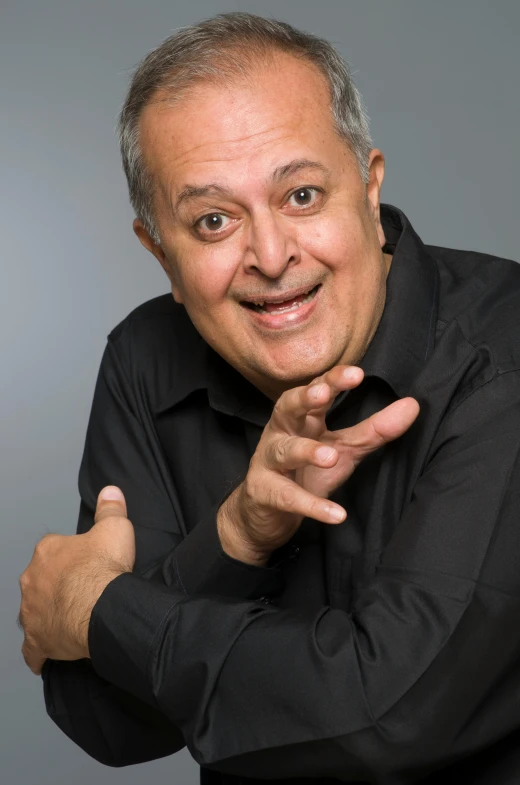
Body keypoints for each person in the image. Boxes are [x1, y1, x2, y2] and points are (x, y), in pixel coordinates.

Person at [18, 12, 520, 785]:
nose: (272, 255)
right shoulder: (143, 362)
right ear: (159, 251)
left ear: (370, 185)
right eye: (214, 221)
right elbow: (105, 721)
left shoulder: (504, 355)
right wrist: (235, 539)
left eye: (302, 194)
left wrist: (99, 608)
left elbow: (388, 716)